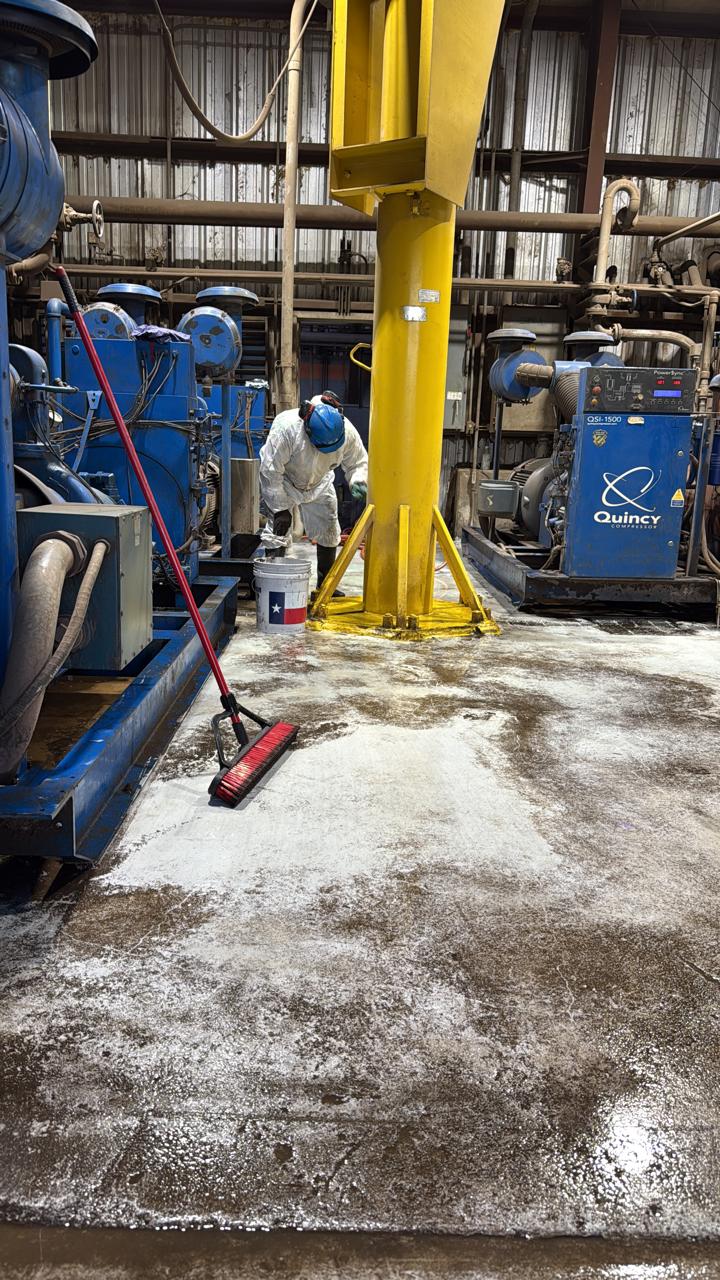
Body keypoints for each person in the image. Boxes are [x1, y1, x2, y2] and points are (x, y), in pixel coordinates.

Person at [259, 391, 368, 589]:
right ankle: (273, 587)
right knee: (278, 532)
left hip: (320, 484)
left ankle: (325, 588)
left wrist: (358, 480)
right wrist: (280, 508)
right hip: (286, 482)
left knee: (329, 530)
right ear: (308, 430)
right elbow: (270, 472)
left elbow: (358, 462)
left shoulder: (347, 431)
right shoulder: (286, 429)